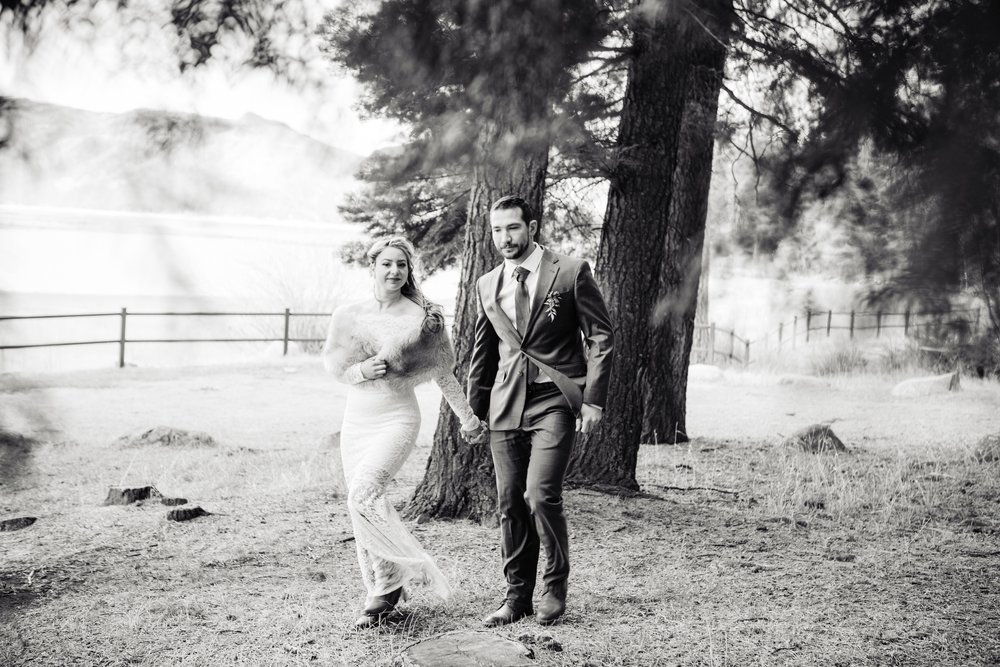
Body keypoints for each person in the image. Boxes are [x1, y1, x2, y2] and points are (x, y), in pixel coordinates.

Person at [322, 236, 487, 628]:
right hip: (357, 420)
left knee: (365, 490)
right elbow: (332, 364)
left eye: (402, 264)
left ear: (409, 270)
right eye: (387, 264)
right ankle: (382, 588)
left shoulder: (421, 319)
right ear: (373, 267)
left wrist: (467, 418)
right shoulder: (349, 314)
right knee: (358, 503)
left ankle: (390, 584)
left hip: (397, 418)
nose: (394, 271)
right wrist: (360, 371)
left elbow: (443, 375)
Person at [468, 195, 615, 627]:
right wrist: (474, 412)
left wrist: (593, 399)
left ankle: (554, 586)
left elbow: (601, 336)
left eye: (512, 228)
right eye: (496, 230)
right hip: (505, 404)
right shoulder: (487, 284)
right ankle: (517, 598)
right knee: (510, 502)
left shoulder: (570, 271)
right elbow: (485, 354)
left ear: (531, 227)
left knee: (539, 494)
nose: (504, 238)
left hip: (554, 398)